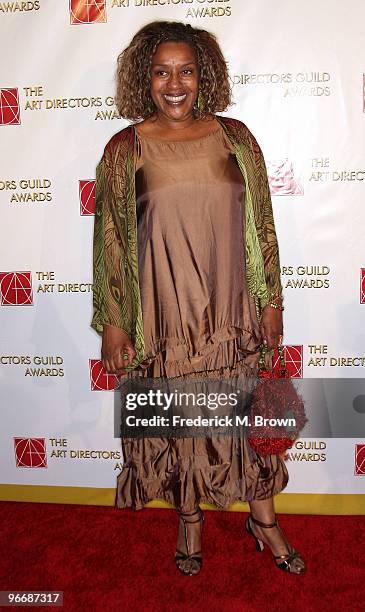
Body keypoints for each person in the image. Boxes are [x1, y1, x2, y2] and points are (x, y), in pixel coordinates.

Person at [91, 21, 306, 576]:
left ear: (203, 74)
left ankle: (264, 519)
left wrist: (271, 299)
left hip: (231, 310)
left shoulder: (237, 137)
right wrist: (115, 322)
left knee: (246, 420)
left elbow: (261, 224)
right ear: (145, 79)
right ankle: (190, 521)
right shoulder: (123, 148)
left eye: (185, 70)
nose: (174, 84)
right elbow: (111, 240)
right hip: (164, 315)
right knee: (182, 423)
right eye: (161, 72)